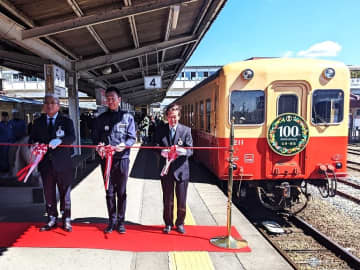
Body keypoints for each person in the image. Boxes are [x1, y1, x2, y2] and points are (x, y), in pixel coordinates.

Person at [92, 86, 136, 234]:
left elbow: (132, 138)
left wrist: (125, 145)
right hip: (106, 161)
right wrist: (99, 146)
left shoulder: (127, 117)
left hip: (122, 159)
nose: (110, 101)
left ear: (119, 100)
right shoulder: (100, 119)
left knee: (121, 192)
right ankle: (112, 221)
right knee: (109, 192)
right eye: (108, 99)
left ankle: (121, 221)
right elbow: (95, 138)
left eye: (113, 98)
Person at [29, 93, 75, 232]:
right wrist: (34, 145)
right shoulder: (38, 122)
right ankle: (51, 218)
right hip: (45, 164)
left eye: (52, 103)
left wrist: (61, 141)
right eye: (46, 103)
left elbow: (72, 137)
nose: (49, 105)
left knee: (64, 192)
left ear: (58, 105)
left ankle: (66, 218)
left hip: (63, 163)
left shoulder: (66, 121)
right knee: (48, 192)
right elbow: (31, 139)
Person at [155, 104, 193, 234]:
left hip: (182, 170)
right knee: (168, 199)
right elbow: (155, 146)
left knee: (182, 200)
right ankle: (168, 223)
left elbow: (191, 150)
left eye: (175, 117)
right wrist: (162, 152)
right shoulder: (160, 130)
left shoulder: (186, 130)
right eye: (170, 117)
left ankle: (180, 223)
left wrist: (183, 152)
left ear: (179, 117)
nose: (173, 120)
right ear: (167, 117)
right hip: (166, 170)